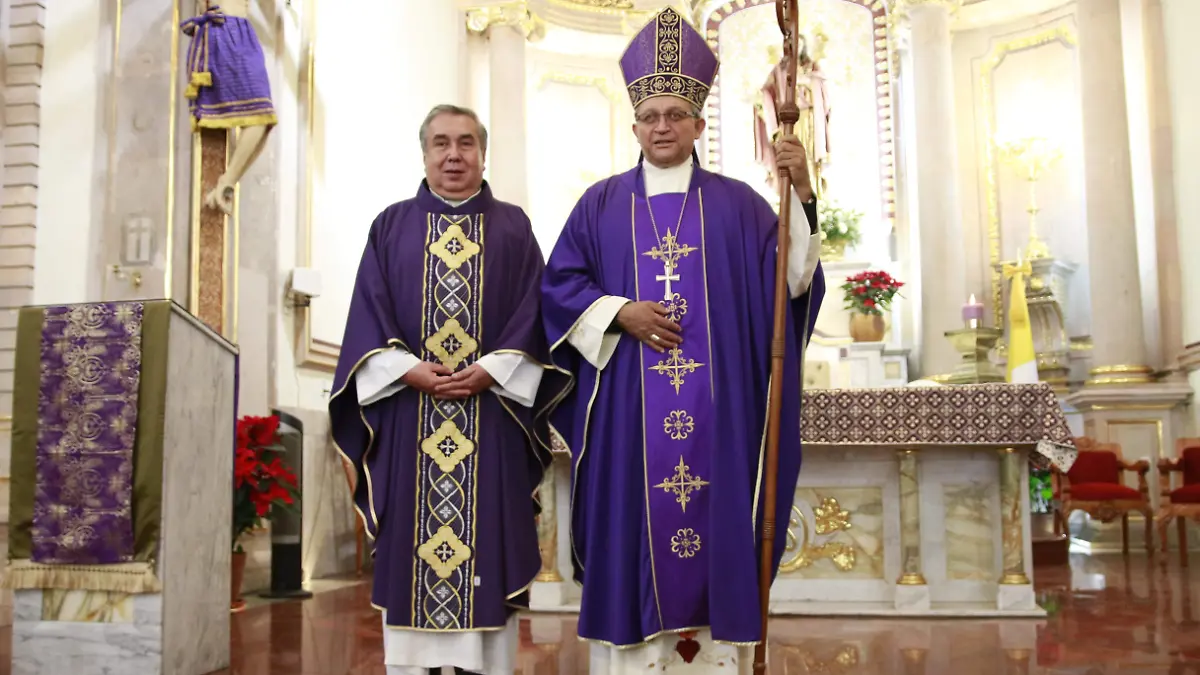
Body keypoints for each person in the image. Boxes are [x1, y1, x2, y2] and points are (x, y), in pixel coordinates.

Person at [541, 7, 826, 674]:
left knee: (717, 530)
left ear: (699, 124)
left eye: (675, 115)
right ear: (635, 125)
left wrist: (803, 194)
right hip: (626, 424)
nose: (662, 127)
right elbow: (558, 290)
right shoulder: (600, 206)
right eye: (650, 117)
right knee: (630, 538)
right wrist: (619, 312)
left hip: (719, 423)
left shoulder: (740, 205)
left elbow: (790, 285)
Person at [330, 104, 567, 675]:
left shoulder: (513, 226)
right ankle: (412, 666)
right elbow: (368, 313)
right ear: (424, 153)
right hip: (410, 418)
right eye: (441, 143)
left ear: (483, 152)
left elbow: (536, 314)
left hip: (493, 419)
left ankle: (485, 664)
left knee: (488, 541)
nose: (453, 154)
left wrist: (495, 367)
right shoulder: (390, 225)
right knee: (413, 549)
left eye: (465, 143)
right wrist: (404, 368)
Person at [181, 0, 277, 214]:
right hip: (225, 31)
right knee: (261, 116)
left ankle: (226, 184)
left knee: (264, 120)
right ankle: (225, 183)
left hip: (242, 33)